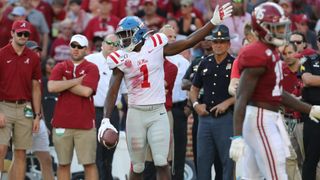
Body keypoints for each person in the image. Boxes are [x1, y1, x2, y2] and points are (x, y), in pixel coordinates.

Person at [98, 3, 233, 180]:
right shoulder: (120, 57)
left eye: (126, 35)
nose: (123, 40)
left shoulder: (156, 46)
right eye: (121, 36)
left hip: (157, 113)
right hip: (136, 114)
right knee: (137, 166)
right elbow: (112, 90)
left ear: (139, 32)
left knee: (162, 161)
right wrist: (105, 119)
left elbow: (188, 41)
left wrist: (213, 22)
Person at [229, 2, 320, 179]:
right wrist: (237, 136)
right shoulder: (258, 53)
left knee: (252, 177)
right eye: (276, 28)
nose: (281, 32)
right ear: (263, 28)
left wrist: (310, 109)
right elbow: (241, 96)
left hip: (265, 117)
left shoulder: (271, 52)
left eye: (281, 27)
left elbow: (277, 92)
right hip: (261, 119)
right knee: (278, 173)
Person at [47, 34, 99, 180]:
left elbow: (86, 91)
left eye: (80, 47)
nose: (76, 49)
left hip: (85, 124)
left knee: (89, 164)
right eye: (73, 46)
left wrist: (64, 83)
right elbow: (51, 87)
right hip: (62, 123)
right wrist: (76, 81)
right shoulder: (60, 66)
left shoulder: (92, 68)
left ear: (86, 50)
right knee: (63, 164)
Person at [189, 24, 235, 180]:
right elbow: (194, 89)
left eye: (222, 41)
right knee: (202, 161)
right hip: (205, 118)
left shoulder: (235, 64)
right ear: (211, 43)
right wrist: (196, 105)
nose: (218, 45)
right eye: (215, 41)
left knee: (227, 162)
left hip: (226, 118)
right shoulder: (205, 62)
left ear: (228, 43)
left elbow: (243, 93)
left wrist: (227, 102)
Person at [0, 20, 42, 180]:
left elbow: (36, 87)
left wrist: (37, 115)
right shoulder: (2, 54)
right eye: (20, 33)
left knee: (21, 152)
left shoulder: (33, 57)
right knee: (1, 149)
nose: (23, 36)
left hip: (25, 107)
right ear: (12, 33)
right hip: (4, 105)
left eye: (26, 34)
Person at [85, 33, 126, 180]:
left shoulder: (122, 63)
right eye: (109, 43)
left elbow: (126, 92)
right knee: (96, 155)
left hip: (112, 112)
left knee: (110, 151)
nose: (112, 47)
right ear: (102, 45)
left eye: (116, 44)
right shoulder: (90, 60)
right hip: (92, 111)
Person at [159, 24, 190, 180]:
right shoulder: (155, 59)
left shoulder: (183, 62)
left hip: (177, 109)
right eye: (168, 36)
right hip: (157, 108)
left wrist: (189, 107)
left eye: (173, 37)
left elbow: (192, 85)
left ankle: (178, 177)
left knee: (178, 149)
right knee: (159, 152)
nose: (171, 40)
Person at [26, 40, 55, 180]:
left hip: (37, 118)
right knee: (19, 156)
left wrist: (41, 119)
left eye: (38, 51)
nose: (37, 53)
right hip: (22, 117)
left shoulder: (37, 71)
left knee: (46, 159)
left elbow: (38, 98)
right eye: (33, 51)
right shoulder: (20, 68)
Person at [300, 31, 320, 180]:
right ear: (318, 42)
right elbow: (307, 80)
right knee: (310, 160)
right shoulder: (308, 60)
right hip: (313, 115)